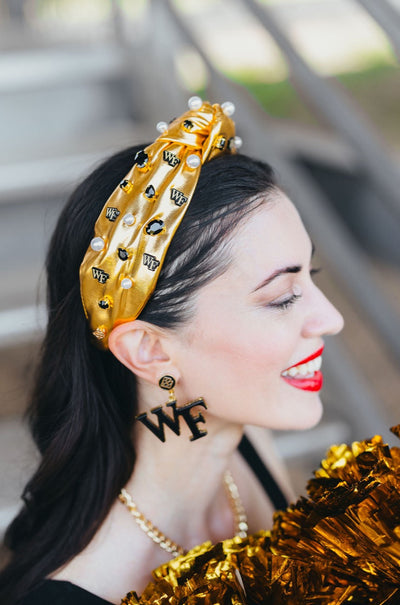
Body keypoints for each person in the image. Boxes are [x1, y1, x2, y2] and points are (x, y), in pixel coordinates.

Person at [0, 98, 343, 604]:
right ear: (149, 351)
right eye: (281, 298)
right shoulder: (90, 588)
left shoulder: (244, 449)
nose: (332, 319)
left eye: (308, 277)